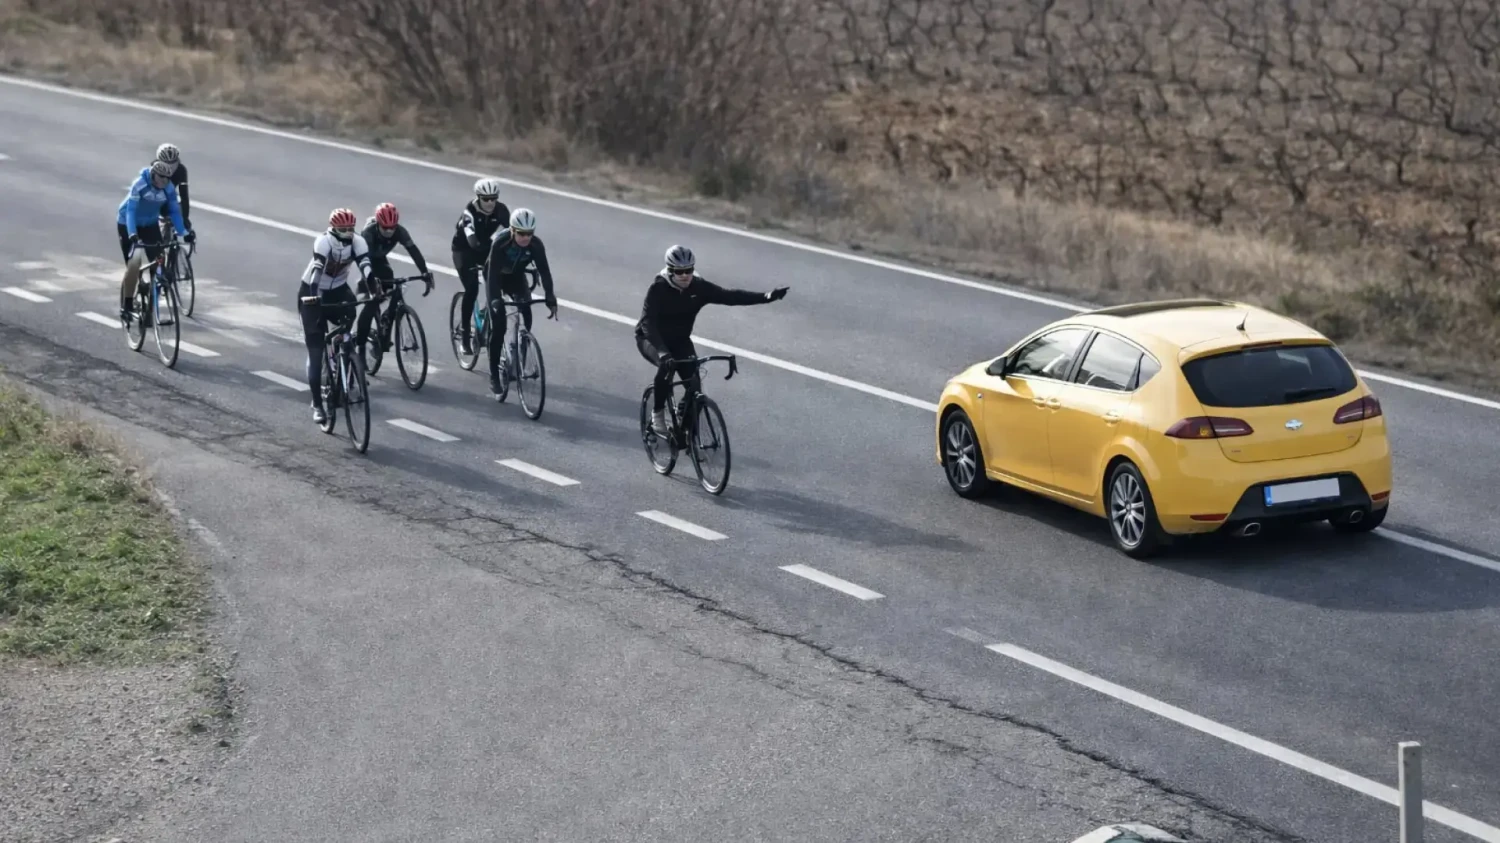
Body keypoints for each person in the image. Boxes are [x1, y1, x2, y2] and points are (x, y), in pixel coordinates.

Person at [634, 245, 788, 436]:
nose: (684, 275)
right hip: (651, 339)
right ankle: (657, 416)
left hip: (680, 341)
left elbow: (730, 296)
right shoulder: (658, 289)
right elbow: (647, 323)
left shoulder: (699, 287)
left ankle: (687, 434)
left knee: (695, 386)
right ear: (670, 270)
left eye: (688, 270)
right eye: (679, 271)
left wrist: (767, 297)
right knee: (667, 367)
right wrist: (662, 351)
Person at [299, 208, 372, 425]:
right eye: (343, 229)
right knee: (316, 350)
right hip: (313, 292)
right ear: (333, 228)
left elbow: (366, 268)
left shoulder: (358, 242)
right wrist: (313, 297)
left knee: (351, 317)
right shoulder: (323, 242)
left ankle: (346, 360)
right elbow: (316, 272)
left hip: (339, 289)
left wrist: (375, 291)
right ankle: (317, 405)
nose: (348, 232)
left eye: (351, 228)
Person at [484, 207, 558, 396]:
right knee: (499, 326)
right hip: (496, 277)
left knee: (526, 315)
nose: (526, 238)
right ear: (512, 230)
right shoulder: (500, 243)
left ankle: (517, 361)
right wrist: (495, 300)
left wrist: (550, 296)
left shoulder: (536, 245)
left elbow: (545, 271)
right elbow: (492, 277)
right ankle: (493, 375)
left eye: (530, 234)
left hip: (516, 277)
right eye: (521, 234)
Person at [116, 159, 193, 324]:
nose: (163, 182)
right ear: (153, 175)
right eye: (161, 178)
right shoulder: (140, 184)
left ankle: (150, 307)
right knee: (134, 263)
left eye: (167, 179)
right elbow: (130, 211)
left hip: (150, 224)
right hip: (128, 224)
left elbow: (174, 212)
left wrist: (184, 233)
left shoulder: (168, 188)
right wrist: (132, 234)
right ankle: (127, 306)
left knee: (159, 262)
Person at [355, 202, 433, 355]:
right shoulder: (368, 234)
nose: (390, 231)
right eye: (385, 228)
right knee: (372, 303)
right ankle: (361, 347)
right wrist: (372, 283)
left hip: (381, 260)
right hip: (367, 262)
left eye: (393, 228)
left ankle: (386, 320)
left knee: (393, 285)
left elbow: (414, 251)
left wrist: (425, 273)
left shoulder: (400, 231)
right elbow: (365, 261)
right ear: (378, 224)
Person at [450, 177, 510, 355]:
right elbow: (473, 242)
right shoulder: (469, 211)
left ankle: (486, 314)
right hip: (464, 250)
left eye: (494, 198)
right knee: (472, 288)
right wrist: (494, 243)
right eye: (486, 199)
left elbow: (509, 237)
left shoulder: (502, 211)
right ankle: (465, 335)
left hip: (487, 249)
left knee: (498, 284)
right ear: (478, 197)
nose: (490, 202)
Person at [152, 143, 191, 235]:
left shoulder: (181, 170)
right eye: (167, 164)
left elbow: (184, 196)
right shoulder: (153, 169)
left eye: (174, 163)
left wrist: (185, 218)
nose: (171, 168)